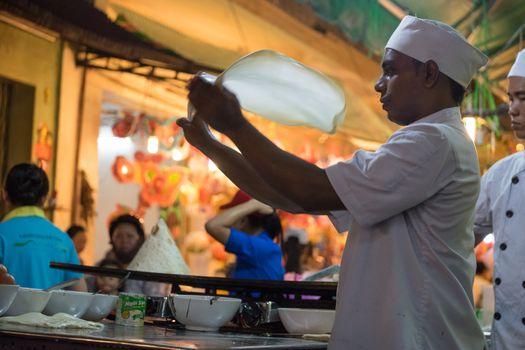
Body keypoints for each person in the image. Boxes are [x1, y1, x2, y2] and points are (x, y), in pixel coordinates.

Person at [177, 15, 488, 349]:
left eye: (391, 71)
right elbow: (292, 196)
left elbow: (311, 191)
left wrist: (236, 126)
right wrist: (211, 143)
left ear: (429, 73)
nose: (379, 84)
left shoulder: (435, 142)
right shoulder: (426, 142)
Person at [473, 48, 525, 349]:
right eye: (511, 98)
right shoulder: (501, 175)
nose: (513, 109)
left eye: (524, 97)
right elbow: (459, 240)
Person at [0, 163, 86, 290]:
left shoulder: (2, 232)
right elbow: (80, 292)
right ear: (44, 198)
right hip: (52, 311)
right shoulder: (64, 239)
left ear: (4, 194)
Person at [205, 190, 284, 281]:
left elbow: (213, 226)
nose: (230, 224)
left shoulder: (259, 246)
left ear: (243, 220)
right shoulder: (262, 244)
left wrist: (255, 204)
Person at [100, 214, 170, 296]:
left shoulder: (150, 270)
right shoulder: (101, 267)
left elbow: (155, 301)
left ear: (140, 240)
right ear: (111, 240)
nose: (124, 240)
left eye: (130, 236)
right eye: (119, 236)